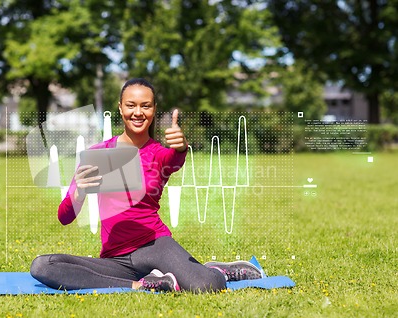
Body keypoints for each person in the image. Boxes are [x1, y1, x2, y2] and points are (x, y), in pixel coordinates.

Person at [30, 78, 262, 292]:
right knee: (42, 266)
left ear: (153, 110)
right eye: (131, 105)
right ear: (120, 108)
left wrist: (181, 146)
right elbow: (64, 217)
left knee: (205, 285)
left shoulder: (159, 154)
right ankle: (141, 285)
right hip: (115, 259)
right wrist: (78, 193)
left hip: (155, 246)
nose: (138, 112)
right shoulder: (97, 155)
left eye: (146, 106)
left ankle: (217, 270)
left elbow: (175, 158)